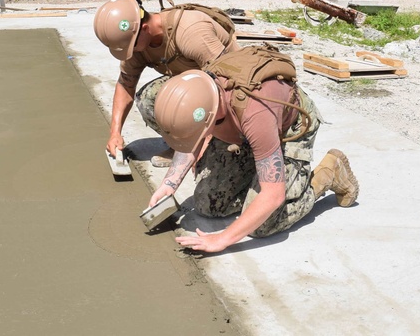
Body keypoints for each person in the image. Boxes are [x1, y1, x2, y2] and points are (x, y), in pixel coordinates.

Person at [147, 46, 359, 253]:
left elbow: (273, 195)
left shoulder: (256, 113)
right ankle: (255, 171)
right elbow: (192, 134)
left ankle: (328, 173)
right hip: (246, 129)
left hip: (288, 129)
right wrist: (169, 185)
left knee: (262, 224)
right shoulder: (200, 92)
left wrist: (222, 239)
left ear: (210, 115)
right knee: (209, 205)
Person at [93, 0, 240, 166]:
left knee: (214, 177)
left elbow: (226, 84)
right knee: (150, 98)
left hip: (230, 92)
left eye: (130, 46)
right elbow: (126, 85)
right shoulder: (138, 42)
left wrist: (204, 142)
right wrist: (115, 132)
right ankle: (182, 146)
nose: (129, 52)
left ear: (145, 28)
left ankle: (212, 144)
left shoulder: (191, 32)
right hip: (195, 86)